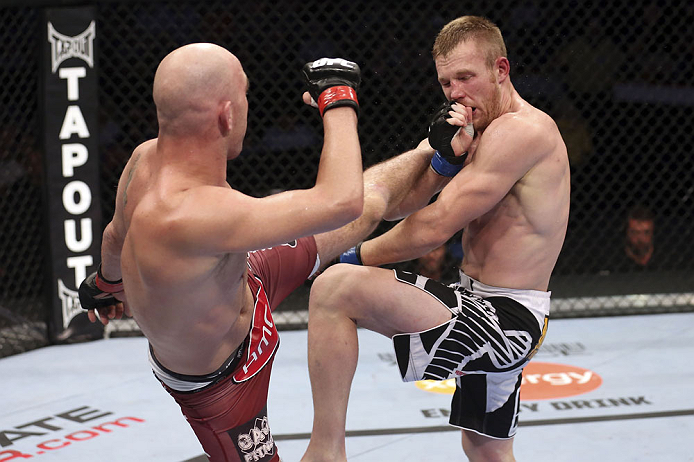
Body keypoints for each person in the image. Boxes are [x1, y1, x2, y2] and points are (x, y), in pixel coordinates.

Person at [77, 44, 371, 462]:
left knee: (365, 207)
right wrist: (338, 95)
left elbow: (113, 238)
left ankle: (435, 157)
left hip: (242, 282)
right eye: (246, 95)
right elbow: (341, 200)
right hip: (224, 386)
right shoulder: (201, 213)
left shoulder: (145, 158)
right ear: (227, 115)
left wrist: (105, 286)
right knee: (348, 210)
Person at [301, 16, 570, 462]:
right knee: (485, 448)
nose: (455, 92)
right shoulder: (480, 132)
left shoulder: (521, 131)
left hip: (505, 317)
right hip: (491, 307)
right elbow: (395, 206)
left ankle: (326, 453)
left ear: (501, 69)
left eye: (466, 77)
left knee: (333, 289)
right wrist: (440, 157)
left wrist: (347, 258)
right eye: (446, 81)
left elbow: (431, 228)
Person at [615, 205, 658, 271]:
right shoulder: (616, 261)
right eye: (635, 232)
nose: (641, 239)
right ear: (626, 232)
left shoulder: (666, 258)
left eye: (646, 232)